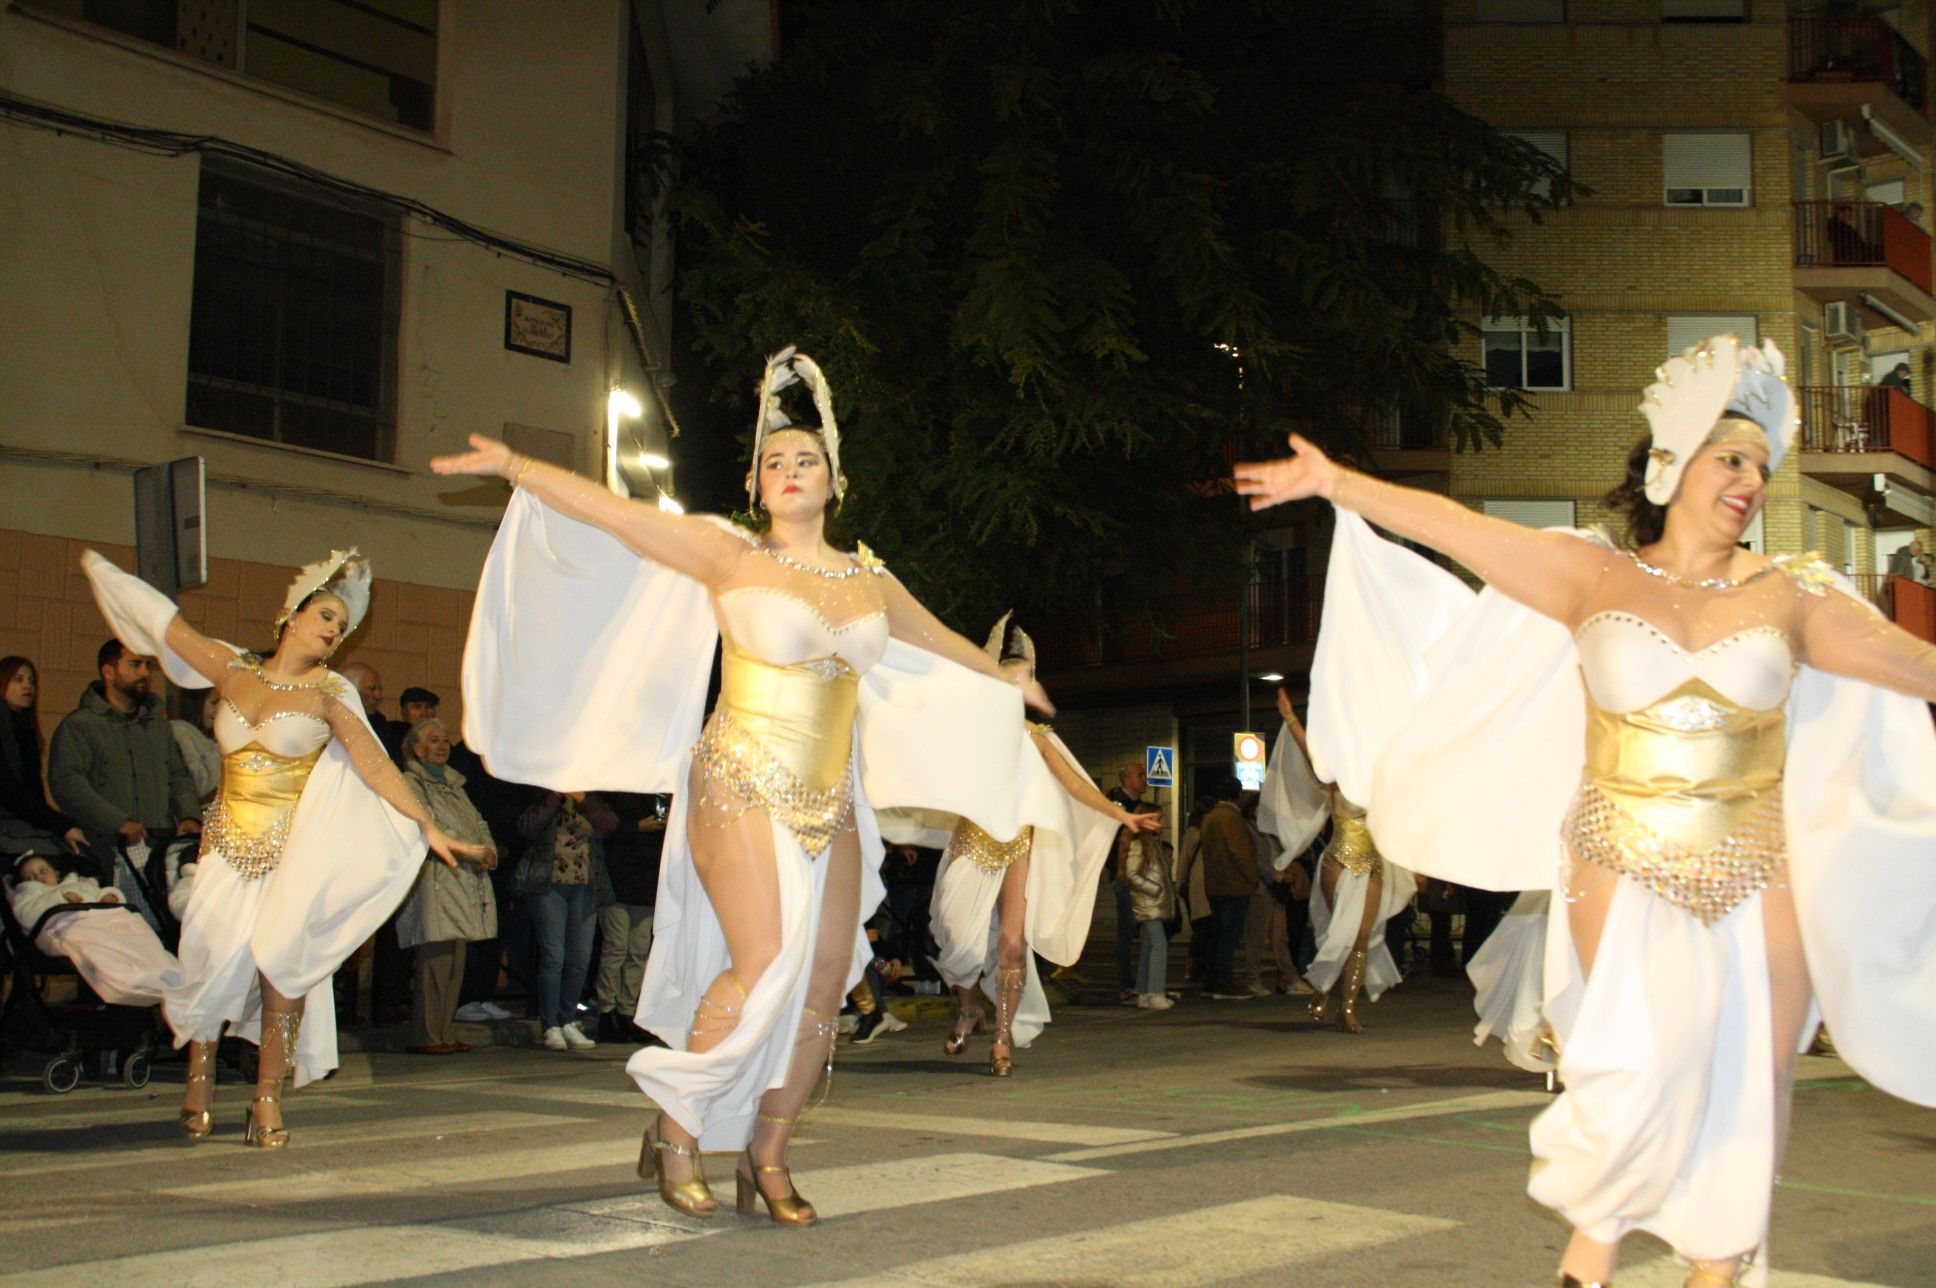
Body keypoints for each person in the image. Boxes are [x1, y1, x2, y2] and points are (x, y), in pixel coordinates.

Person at [1236, 333, 1936, 1287]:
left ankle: (1717, 1267)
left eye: (1761, 468)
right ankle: (1592, 1251)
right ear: (1672, 461)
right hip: (1617, 859)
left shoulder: (1793, 598)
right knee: (1631, 1067)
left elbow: (1918, 666)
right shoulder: (1594, 577)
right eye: (1732, 458)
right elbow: (1457, 528)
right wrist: (1337, 483)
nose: (1750, 482)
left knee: (1748, 1080)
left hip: (1757, 873)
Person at [436, 347, 1069, 1228]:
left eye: (807, 458)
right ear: (754, 481)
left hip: (832, 797)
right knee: (763, 957)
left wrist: (1006, 681)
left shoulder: (870, 579)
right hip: (737, 777)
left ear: (834, 480)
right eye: (774, 460)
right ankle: (678, 1133)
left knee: (823, 979)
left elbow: (939, 642)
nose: (790, 469)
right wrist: (518, 466)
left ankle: (767, 1155)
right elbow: (619, 516)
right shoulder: (728, 553)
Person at [79, 547, 482, 1147]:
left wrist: (426, 823)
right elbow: (169, 628)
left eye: (341, 626)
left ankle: (267, 1095)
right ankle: (199, 1078)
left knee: (283, 969)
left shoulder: (330, 693)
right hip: (224, 850)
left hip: (291, 855)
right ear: (292, 617)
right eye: (325, 616)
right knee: (210, 961)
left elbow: (376, 766)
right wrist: (108, 576)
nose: (333, 630)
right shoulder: (233, 668)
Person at [925, 616, 1157, 1073]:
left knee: (1012, 944)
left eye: (1024, 683)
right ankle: (969, 1008)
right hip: (972, 842)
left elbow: (1075, 784)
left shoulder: (1037, 738)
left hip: (1018, 845)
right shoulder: (970, 733)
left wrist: (1122, 815)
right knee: (959, 943)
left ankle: (1001, 1037)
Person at [1272, 700, 1412, 1033]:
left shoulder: (1383, 780)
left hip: (1374, 865)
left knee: (1361, 936)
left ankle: (1346, 1009)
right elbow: (1309, 751)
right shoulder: (1335, 777)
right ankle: (1324, 989)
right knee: (1343, 932)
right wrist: (1291, 719)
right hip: (1338, 862)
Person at [47, 640, 202, 887]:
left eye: (147, 665)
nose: (145, 672)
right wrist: (117, 821)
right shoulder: (80, 726)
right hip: (105, 850)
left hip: (158, 849)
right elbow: (68, 784)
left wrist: (189, 816)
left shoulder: (158, 726)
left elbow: (178, 776)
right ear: (108, 672)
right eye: (135, 664)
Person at [397, 718, 499, 1055]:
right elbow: (428, 827)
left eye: (445, 740)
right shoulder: (411, 783)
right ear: (416, 748)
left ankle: (442, 1031)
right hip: (436, 881)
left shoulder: (454, 784)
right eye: (433, 740)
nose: (442, 745)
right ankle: (426, 1034)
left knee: (455, 962)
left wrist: (488, 852)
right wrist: (472, 852)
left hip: (462, 879)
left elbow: (478, 823)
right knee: (435, 962)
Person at [7, 852, 179, 1006]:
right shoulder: (28, 896)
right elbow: (26, 916)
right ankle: (128, 979)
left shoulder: (81, 884)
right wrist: (59, 898)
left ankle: (164, 969)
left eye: (42, 870)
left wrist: (110, 896)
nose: (38, 877)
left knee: (136, 932)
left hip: (107, 919)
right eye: (30, 877)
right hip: (70, 925)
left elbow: (99, 892)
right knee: (99, 945)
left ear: (56, 873)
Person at [517, 789, 616, 1051]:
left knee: (579, 959)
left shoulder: (591, 796)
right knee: (553, 957)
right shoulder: (544, 793)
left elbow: (609, 824)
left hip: (585, 886)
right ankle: (550, 1025)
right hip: (548, 885)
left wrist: (583, 800)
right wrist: (553, 798)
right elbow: (527, 828)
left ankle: (568, 1019)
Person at [0, 657, 88, 860]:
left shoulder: (24, 729)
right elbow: (9, 791)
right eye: (18, 679)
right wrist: (61, 825)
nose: (27, 686)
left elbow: (32, 794)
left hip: (18, 821)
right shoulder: (14, 729)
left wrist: (57, 824)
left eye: (32, 681)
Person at [596, 792, 666, 1041]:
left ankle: (626, 1011)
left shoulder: (659, 793)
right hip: (618, 879)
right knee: (616, 947)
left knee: (637, 950)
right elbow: (603, 827)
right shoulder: (616, 790)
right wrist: (636, 826)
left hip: (646, 880)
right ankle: (607, 1011)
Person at [1194, 775, 1256, 1000]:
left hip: (1215, 885)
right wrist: (1253, 878)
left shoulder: (1209, 818)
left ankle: (1212, 981)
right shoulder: (1232, 819)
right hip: (1234, 886)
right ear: (1238, 795)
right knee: (1228, 937)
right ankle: (1223, 981)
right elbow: (1241, 854)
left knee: (1217, 935)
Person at [1121, 803, 1174, 1009]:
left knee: (1149, 946)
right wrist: (1155, 890)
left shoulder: (1152, 843)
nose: (1161, 823)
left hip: (1153, 903)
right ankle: (1155, 993)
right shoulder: (1140, 844)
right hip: (1148, 903)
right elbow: (1131, 874)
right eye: (1157, 819)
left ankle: (1143, 992)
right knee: (1159, 944)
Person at [1105, 760, 1149, 1004]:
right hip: (1124, 876)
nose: (1145, 779)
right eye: (1140, 775)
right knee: (1127, 930)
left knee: (1147, 930)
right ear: (1127, 779)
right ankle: (1126, 985)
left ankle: (1143, 983)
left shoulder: (1140, 806)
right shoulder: (1116, 806)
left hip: (1141, 875)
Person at [1173, 795, 1214, 984]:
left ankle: (1201, 967)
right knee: (1201, 928)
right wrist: (1179, 883)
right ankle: (1192, 966)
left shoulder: (1202, 831)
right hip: (1197, 887)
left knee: (1206, 928)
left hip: (1208, 885)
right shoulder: (1194, 832)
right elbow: (1184, 860)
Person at [172, 687, 223, 804]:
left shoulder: (207, 736)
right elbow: (199, 786)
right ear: (196, 703)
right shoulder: (181, 731)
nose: (218, 710)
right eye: (214, 703)